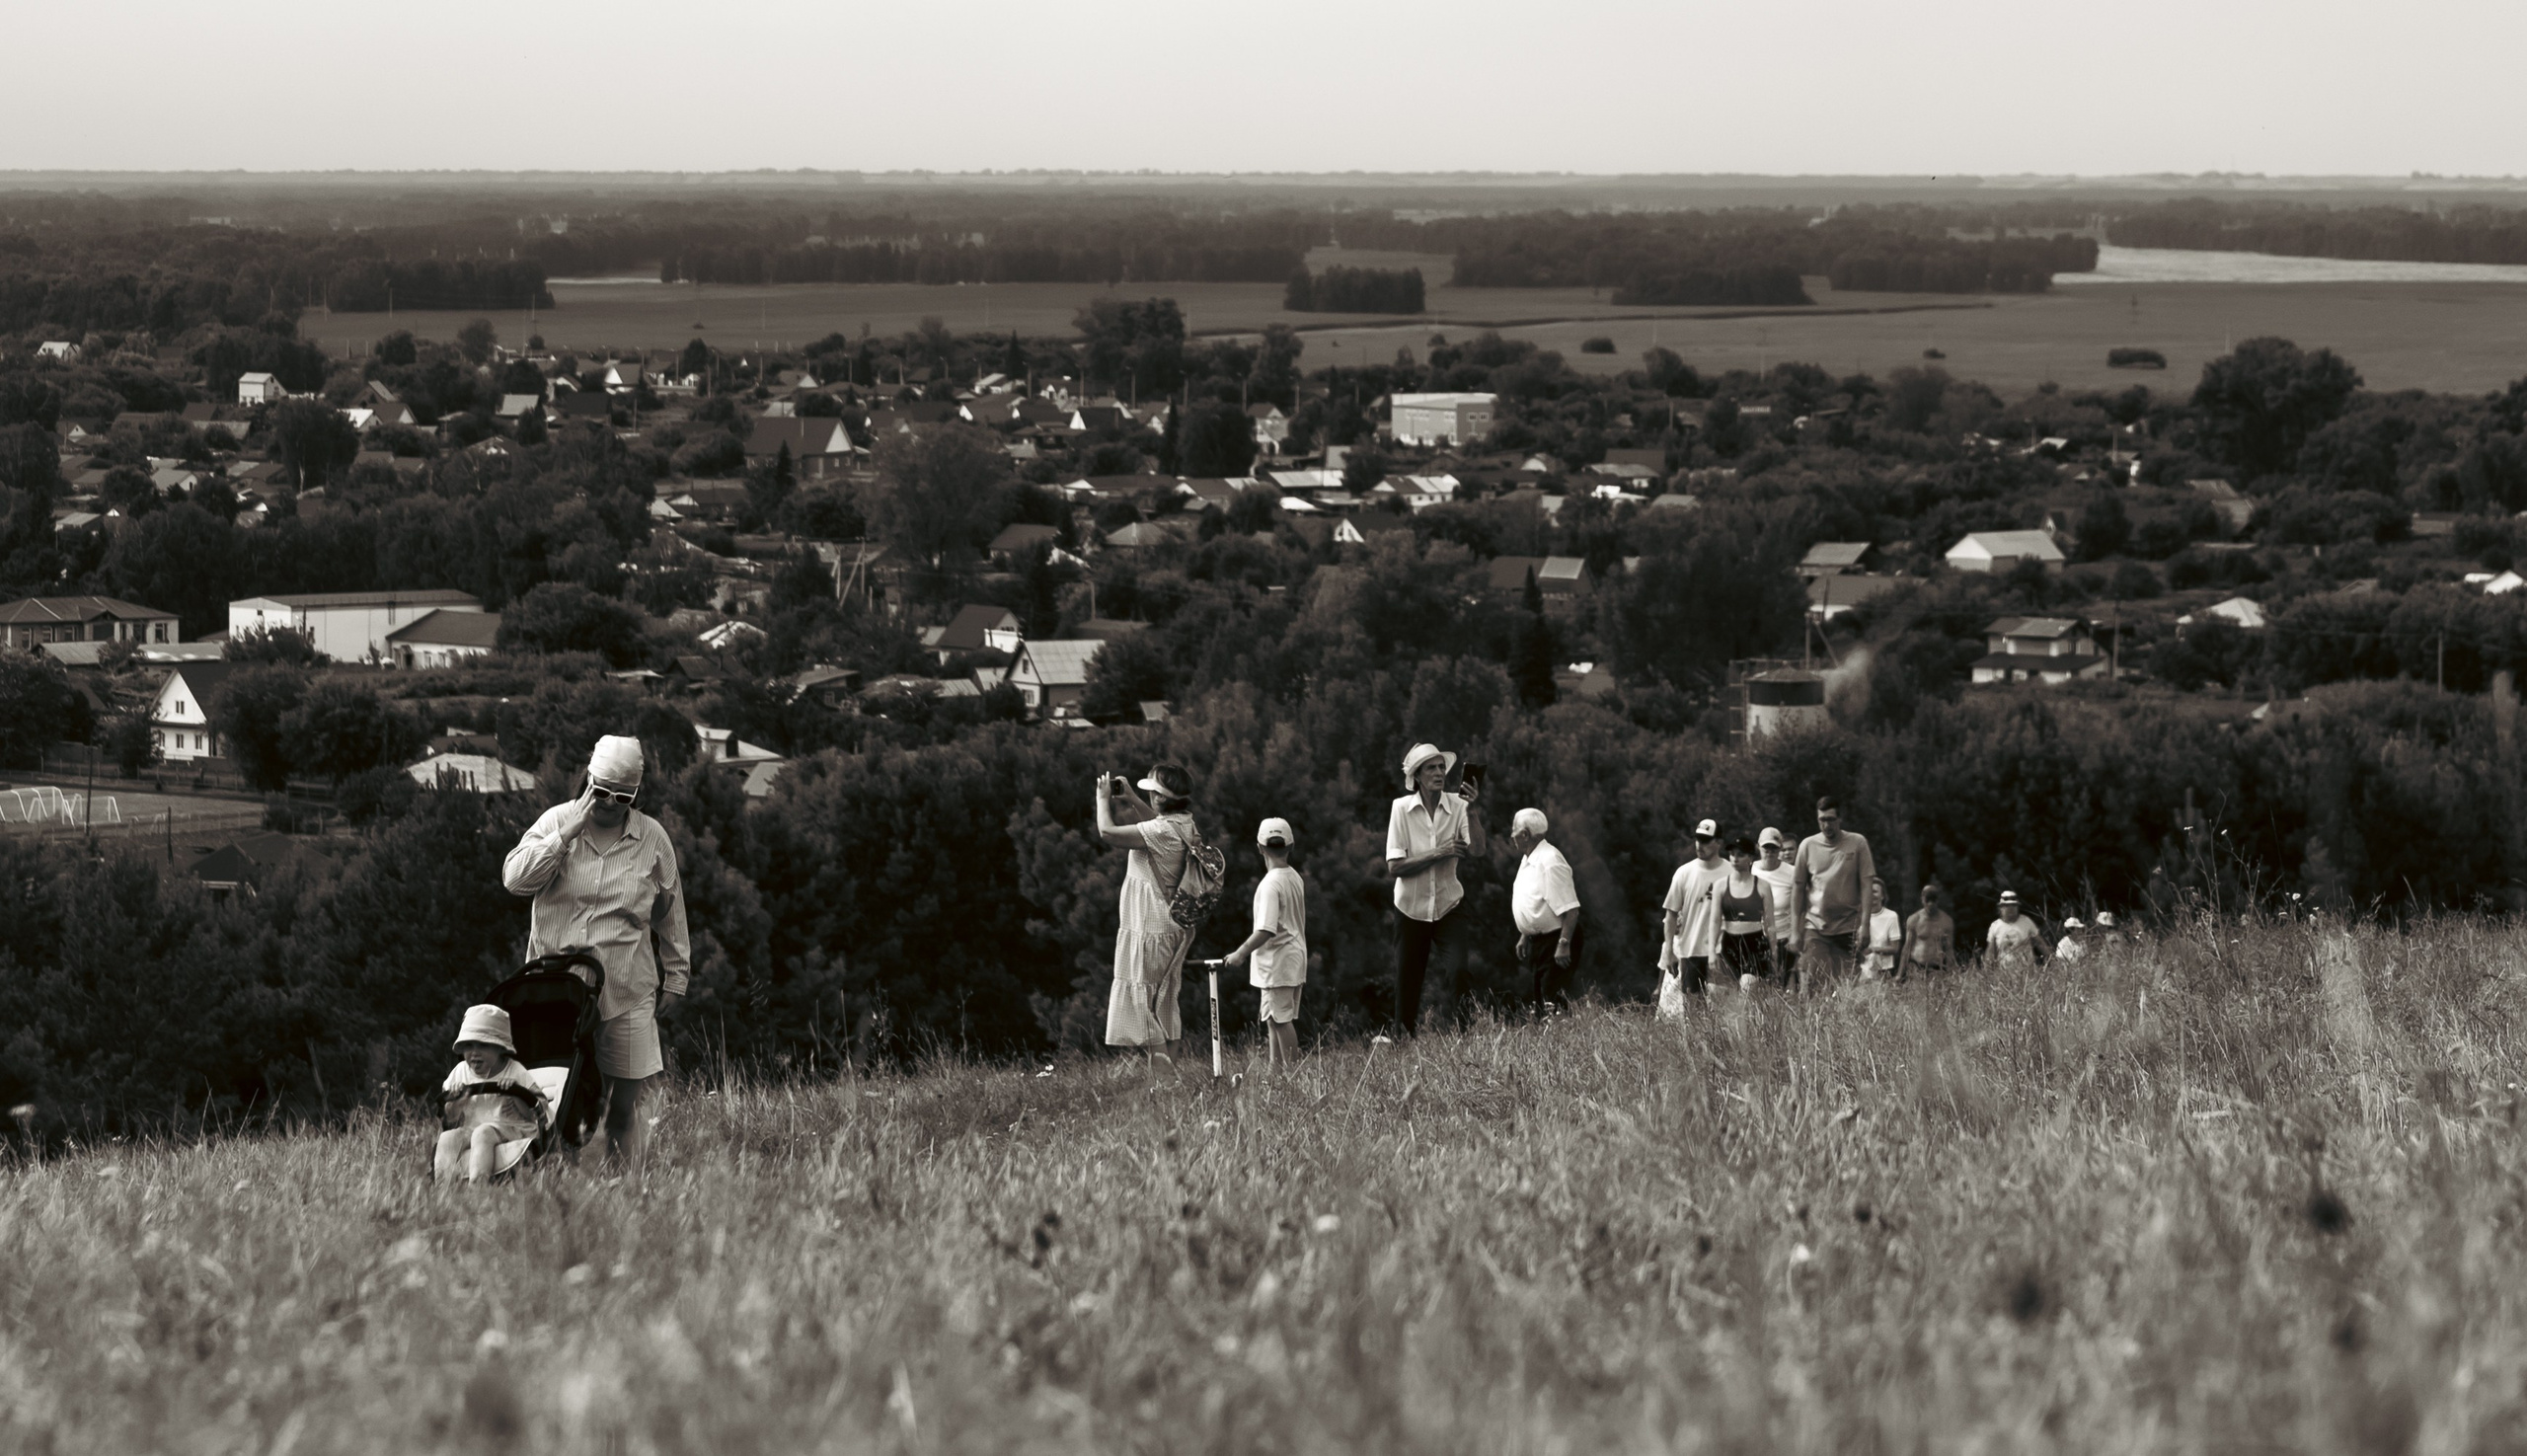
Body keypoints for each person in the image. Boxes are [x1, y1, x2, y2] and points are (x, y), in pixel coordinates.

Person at [502, 733, 689, 1178]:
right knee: (558, 1104)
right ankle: (566, 1191)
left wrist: (677, 976)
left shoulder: (652, 839)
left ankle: (625, 1195)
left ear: (636, 794)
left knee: (623, 1106)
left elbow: (670, 911)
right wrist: (566, 835)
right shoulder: (555, 821)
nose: (608, 803)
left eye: (621, 796)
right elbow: (514, 880)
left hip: (627, 990)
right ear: (588, 780)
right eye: (601, 791)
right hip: (556, 995)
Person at [1095, 763, 1204, 1062]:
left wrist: (1102, 798)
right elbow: (1156, 823)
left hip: (1150, 927)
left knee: (1143, 1010)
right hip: (1172, 925)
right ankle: (1168, 1081)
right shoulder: (1184, 825)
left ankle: (1165, 1082)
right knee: (1163, 1004)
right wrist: (1131, 797)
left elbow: (1107, 833)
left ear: (1159, 798)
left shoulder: (1160, 831)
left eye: (1152, 792)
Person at [1385, 743, 1485, 1037]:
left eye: (1442, 767)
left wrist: (1474, 810)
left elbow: (1478, 850)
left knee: (1459, 971)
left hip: (1449, 906)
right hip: (1410, 909)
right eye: (1432, 768)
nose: (1440, 773)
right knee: (1408, 982)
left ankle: (1467, 1037)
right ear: (1417, 776)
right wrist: (1439, 853)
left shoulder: (1459, 805)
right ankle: (1402, 1044)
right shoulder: (1400, 809)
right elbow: (1395, 866)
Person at [1222, 817, 1307, 1069]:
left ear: (1259, 848)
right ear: (1290, 846)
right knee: (1273, 1018)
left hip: (1279, 961)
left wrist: (1240, 953)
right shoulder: (1294, 877)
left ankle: (1292, 1074)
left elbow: (1265, 930)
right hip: (1289, 958)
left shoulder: (1270, 885)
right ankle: (1276, 1072)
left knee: (1281, 1019)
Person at [433, 1005, 548, 1184]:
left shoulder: (514, 1070)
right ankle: (442, 1188)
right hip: (472, 1129)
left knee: (483, 1132)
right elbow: (450, 1118)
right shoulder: (460, 1072)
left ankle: (478, 1188)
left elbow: (536, 1110)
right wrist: (457, 1101)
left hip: (513, 1128)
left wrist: (516, 1093)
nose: (474, 1052)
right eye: (468, 1046)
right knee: (448, 1137)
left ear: (501, 1048)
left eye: (484, 1045)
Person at [1790, 797, 1876, 993]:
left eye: (1830, 819)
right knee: (1813, 985)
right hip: (1816, 927)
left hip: (1848, 927)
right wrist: (1795, 931)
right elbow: (1798, 888)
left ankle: (1842, 1022)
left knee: (1845, 990)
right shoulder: (1807, 846)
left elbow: (1866, 885)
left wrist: (1865, 925)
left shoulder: (1857, 843)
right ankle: (1812, 1022)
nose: (1826, 825)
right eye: (1822, 820)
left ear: (1840, 819)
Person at [1508, 807, 1582, 1017]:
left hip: (1557, 939)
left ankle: (1565, 1044)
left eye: (1514, 830)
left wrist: (1563, 943)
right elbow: (1537, 901)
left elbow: (1571, 910)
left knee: (1553, 1001)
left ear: (1525, 834)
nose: (1511, 835)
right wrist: (1525, 934)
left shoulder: (1550, 861)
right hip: (1539, 942)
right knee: (1542, 1002)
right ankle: (1552, 1045)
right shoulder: (1530, 859)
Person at [1661, 819, 1725, 995]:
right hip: (1690, 950)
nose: (1699, 845)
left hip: (1721, 951)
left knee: (1723, 1008)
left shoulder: (1730, 873)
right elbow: (1671, 914)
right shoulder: (1684, 873)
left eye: (1705, 840)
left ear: (1718, 842)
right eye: (1697, 839)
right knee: (1693, 1011)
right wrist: (1669, 950)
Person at [1716, 836, 1774, 991]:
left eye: (1740, 855)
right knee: (1726, 993)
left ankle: (1752, 1014)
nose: (1735, 859)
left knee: (1749, 986)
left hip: (1755, 942)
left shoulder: (1762, 886)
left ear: (1751, 858)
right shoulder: (1720, 886)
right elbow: (1714, 921)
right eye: (1733, 854)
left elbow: (1770, 923)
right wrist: (1710, 953)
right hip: (1729, 942)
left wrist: (1773, 953)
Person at [1754, 827, 1799, 984]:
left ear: (1779, 848)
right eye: (1766, 847)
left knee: (1784, 986)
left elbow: (1799, 908)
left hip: (1784, 939)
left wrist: (1795, 935)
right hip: (1756, 938)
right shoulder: (1750, 870)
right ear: (1758, 847)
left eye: (1774, 847)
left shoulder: (1792, 872)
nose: (1770, 851)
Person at [1903, 882, 1957, 978]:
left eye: (1933, 900)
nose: (1930, 904)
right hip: (1916, 967)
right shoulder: (1914, 919)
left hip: (1936, 969)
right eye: (1928, 900)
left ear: (1938, 900)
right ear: (1922, 899)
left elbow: (1949, 950)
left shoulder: (1946, 921)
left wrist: (1951, 973)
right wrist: (1900, 974)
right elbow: (1907, 948)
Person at [1986, 889, 2045, 972]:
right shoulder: (1995, 926)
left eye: (2013, 905)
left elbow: (2040, 943)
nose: (2011, 908)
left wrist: (2052, 960)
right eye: (2007, 906)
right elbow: (1991, 951)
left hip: (2027, 971)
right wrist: (1988, 970)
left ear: (2018, 907)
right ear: (2001, 907)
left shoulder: (2026, 921)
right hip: (2005, 973)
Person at [1862, 878, 1904, 980]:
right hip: (1861, 969)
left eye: (1875, 892)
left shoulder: (1891, 916)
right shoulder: (1859, 915)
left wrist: (1873, 950)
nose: (1871, 895)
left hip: (1883, 971)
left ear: (1883, 896)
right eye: (1868, 892)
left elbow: (1895, 948)